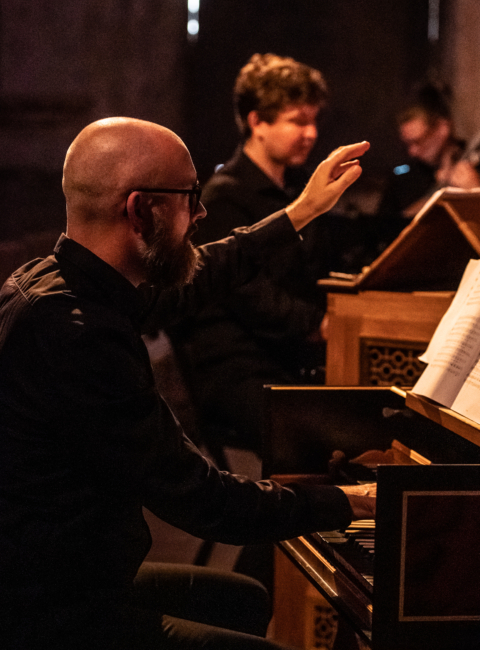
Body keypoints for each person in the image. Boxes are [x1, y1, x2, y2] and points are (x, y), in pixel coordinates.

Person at [0, 116, 373, 650]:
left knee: (243, 598)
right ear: (140, 209)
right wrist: (351, 501)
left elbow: (198, 279)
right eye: (189, 196)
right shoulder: (78, 335)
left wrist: (300, 213)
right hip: (47, 608)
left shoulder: (61, 280)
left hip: (65, 573)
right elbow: (206, 502)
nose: (200, 213)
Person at [167, 53, 333, 454]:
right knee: (328, 434)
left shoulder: (295, 190)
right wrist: (324, 325)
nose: (310, 133)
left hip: (286, 357)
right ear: (257, 122)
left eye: (313, 120)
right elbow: (253, 299)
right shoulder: (225, 195)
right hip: (238, 369)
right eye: (297, 121)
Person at [379, 82, 465, 223]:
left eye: (418, 141)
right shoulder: (403, 176)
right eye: (408, 144)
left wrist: (475, 189)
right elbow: (384, 228)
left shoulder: (473, 160)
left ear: (443, 128)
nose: (412, 151)